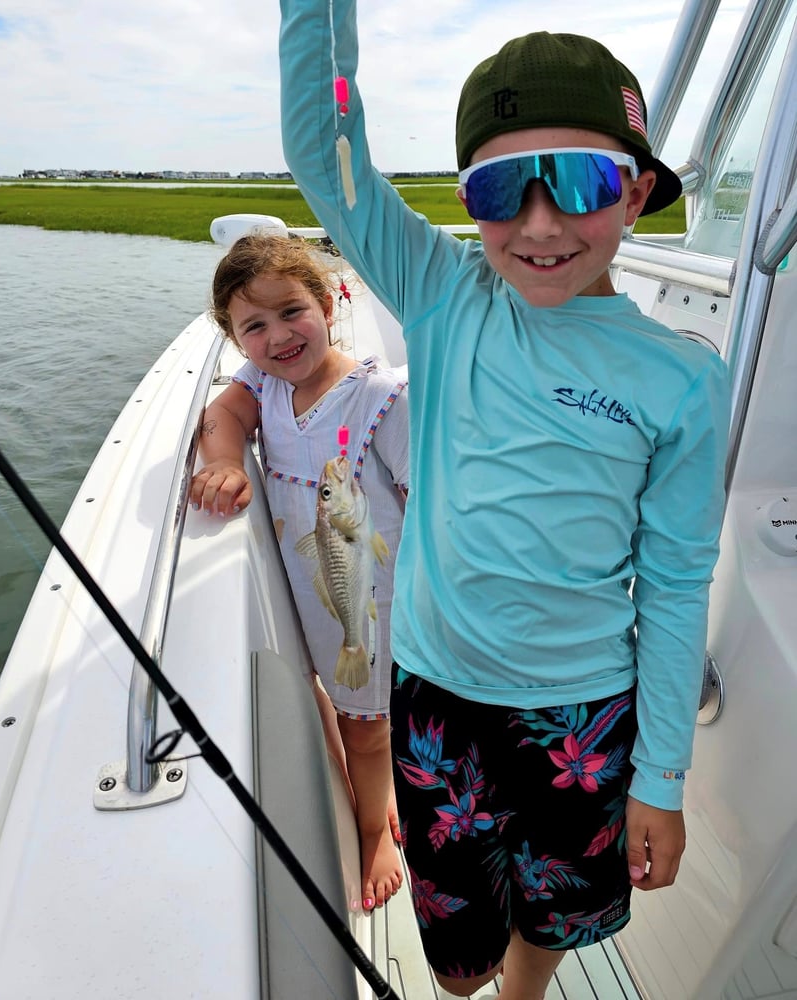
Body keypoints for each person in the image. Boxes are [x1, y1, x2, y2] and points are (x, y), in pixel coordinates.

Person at [278, 5, 731, 999]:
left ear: (637, 190)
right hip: (435, 697)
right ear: (467, 204)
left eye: (577, 182)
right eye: (496, 190)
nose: (537, 224)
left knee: (556, 909)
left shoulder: (683, 381)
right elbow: (325, 143)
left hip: (584, 715)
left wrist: (657, 779)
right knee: (454, 953)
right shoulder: (442, 292)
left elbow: (673, 580)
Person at [189, 234, 408, 912]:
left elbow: (433, 501)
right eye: (254, 325)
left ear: (327, 303)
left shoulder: (379, 397)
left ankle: (375, 829)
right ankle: (378, 796)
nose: (278, 336)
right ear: (234, 337)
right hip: (305, 589)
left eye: (292, 312)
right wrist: (222, 463)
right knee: (324, 697)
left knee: (366, 725)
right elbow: (221, 413)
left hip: (366, 602)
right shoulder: (264, 384)